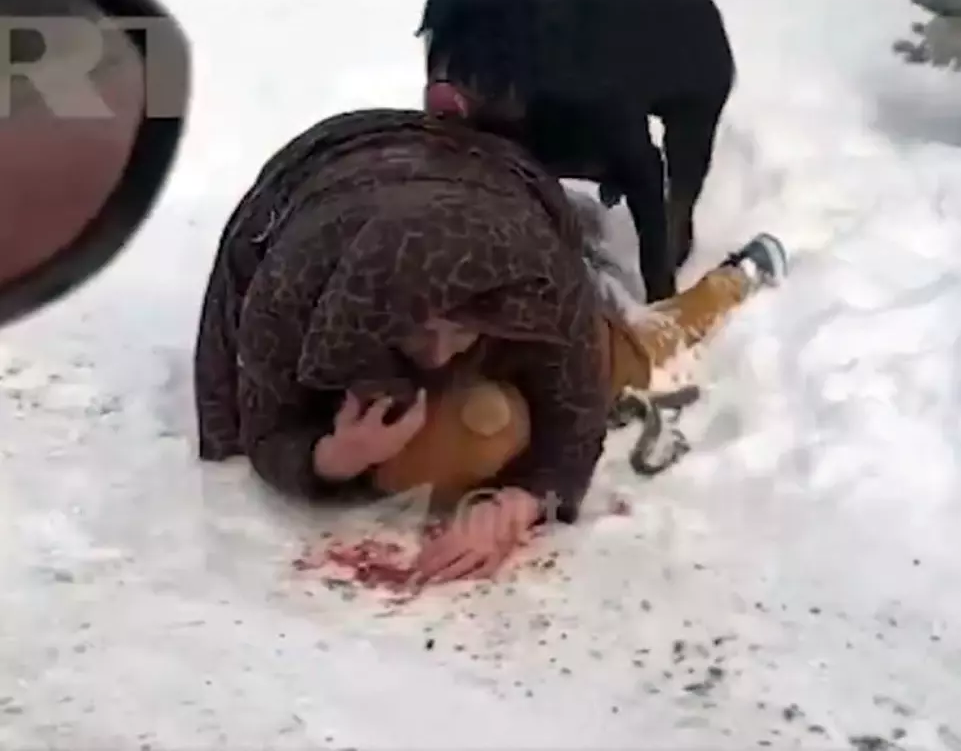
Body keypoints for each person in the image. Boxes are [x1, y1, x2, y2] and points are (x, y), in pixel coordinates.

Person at [193, 107, 786, 587]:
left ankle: (729, 283)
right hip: (334, 198)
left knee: (619, 362)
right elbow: (263, 422)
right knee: (458, 434)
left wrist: (521, 501)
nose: (440, 353)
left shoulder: (538, 285)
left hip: (501, 201)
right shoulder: (297, 286)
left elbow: (574, 424)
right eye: (421, 330)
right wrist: (333, 455)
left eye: (460, 330)